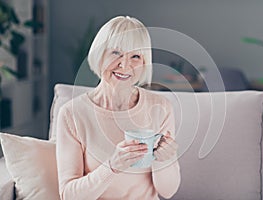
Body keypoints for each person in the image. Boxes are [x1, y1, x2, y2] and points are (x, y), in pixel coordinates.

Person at [56, 16, 181, 200]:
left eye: (135, 56)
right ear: (100, 55)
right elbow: (69, 195)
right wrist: (112, 166)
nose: (124, 65)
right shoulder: (72, 114)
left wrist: (166, 159)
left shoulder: (160, 108)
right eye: (115, 53)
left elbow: (168, 191)